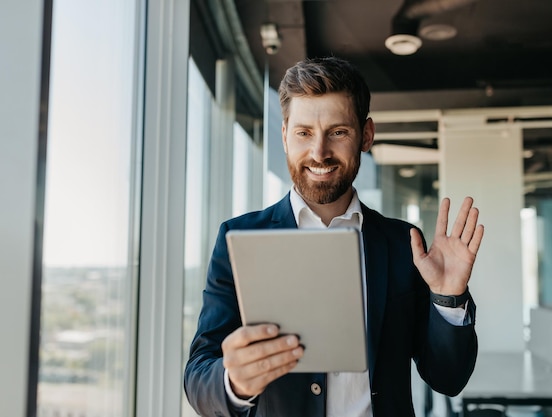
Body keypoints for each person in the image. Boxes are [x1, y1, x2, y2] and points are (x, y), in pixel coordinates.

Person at [184, 56, 484, 417]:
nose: (319, 152)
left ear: (366, 135)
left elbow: (448, 378)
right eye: (304, 132)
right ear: (284, 136)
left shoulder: (404, 243)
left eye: (338, 132)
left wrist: (448, 299)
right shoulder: (238, 237)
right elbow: (199, 375)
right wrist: (235, 383)